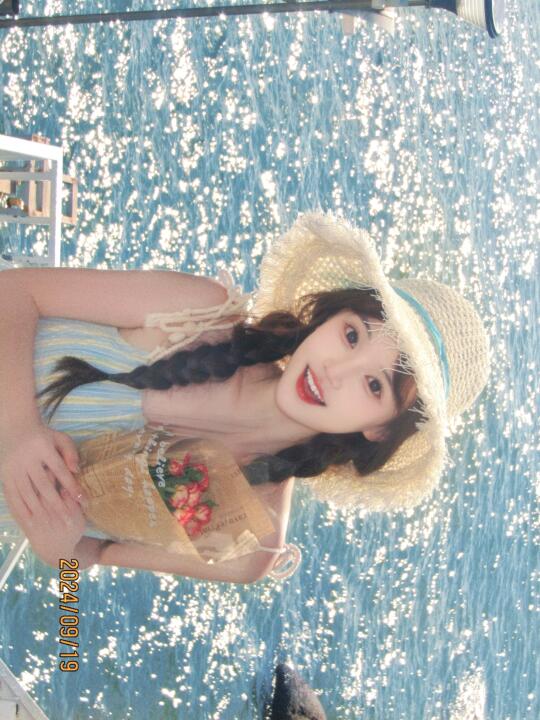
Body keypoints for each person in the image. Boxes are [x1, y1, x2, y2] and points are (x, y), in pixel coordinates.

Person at [0, 212, 490, 582]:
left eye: (374, 384)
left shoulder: (248, 528)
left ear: (380, 429)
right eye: (351, 335)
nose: (334, 371)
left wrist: (58, 547)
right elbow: (15, 292)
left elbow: (86, 557)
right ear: (328, 318)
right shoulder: (198, 317)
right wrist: (20, 430)